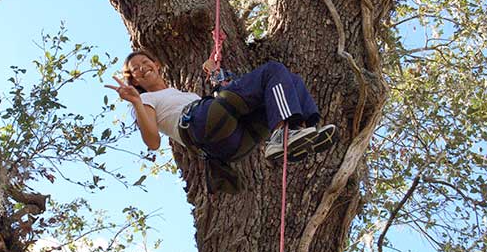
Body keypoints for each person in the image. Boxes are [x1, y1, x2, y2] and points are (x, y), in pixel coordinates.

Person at [106, 51, 337, 194]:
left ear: (156, 65)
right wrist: (136, 102)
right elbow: (153, 142)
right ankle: (284, 134)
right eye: (135, 70)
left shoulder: (180, 93)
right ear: (133, 80)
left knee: (290, 81)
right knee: (273, 70)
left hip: (232, 142)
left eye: (145, 62)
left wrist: (215, 73)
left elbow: (230, 97)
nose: (142, 68)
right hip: (200, 124)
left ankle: (305, 129)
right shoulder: (145, 99)